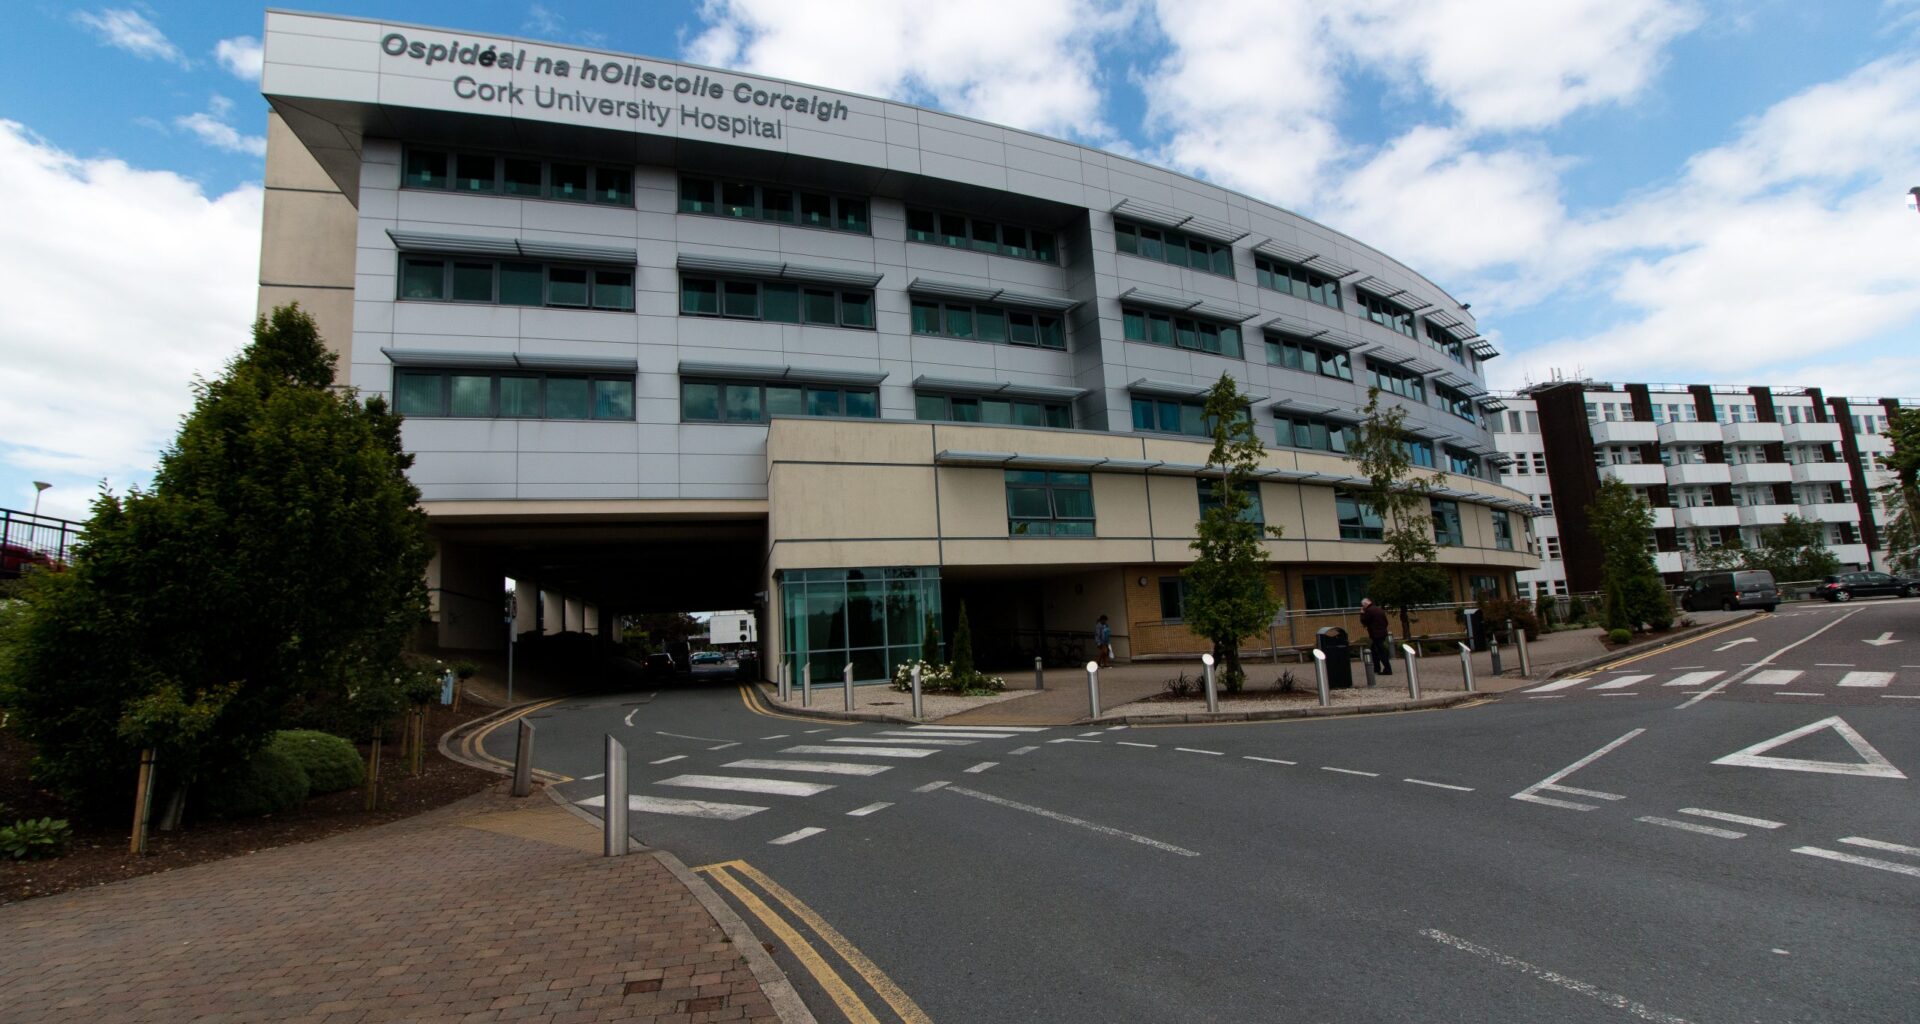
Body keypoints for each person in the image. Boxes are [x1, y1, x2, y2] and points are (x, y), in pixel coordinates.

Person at [1359, 598, 1391, 675]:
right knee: (1374, 650)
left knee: (1380, 651)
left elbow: (1364, 621)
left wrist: (1362, 613)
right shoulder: (1378, 609)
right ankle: (1377, 668)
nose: (1363, 607)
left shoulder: (1369, 611)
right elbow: (1386, 622)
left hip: (1375, 634)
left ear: (1365, 604)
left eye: (1363, 606)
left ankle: (1387, 669)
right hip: (1382, 633)